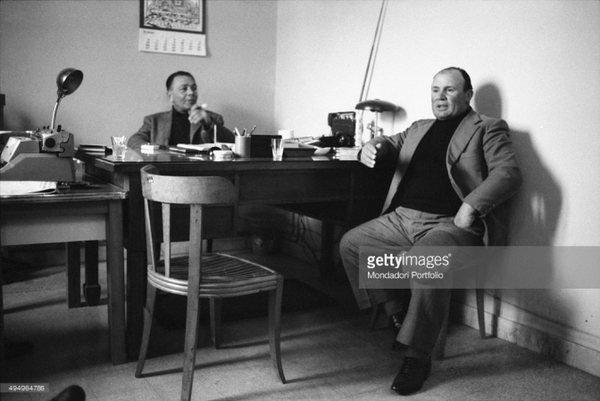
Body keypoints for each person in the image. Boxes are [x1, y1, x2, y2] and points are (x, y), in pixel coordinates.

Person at [340, 67, 522, 396]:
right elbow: (388, 143)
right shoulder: (419, 128)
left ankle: (417, 357)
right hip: (402, 219)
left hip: (449, 224)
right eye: (435, 90)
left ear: (467, 95)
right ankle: (397, 314)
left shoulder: (488, 127)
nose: (440, 96)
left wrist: (471, 206)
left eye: (449, 90)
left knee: (426, 258)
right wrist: (372, 144)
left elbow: (507, 173)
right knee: (352, 243)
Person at [127, 71, 235, 151]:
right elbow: (134, 140)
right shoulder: (154, 121)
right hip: (164, 171)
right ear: (170, 96)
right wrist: (154, 149)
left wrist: (209, 123)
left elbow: (232, 142)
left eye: (194, 88)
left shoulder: (212, 118)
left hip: (201, 172)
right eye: (184, 89)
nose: (191, 93)